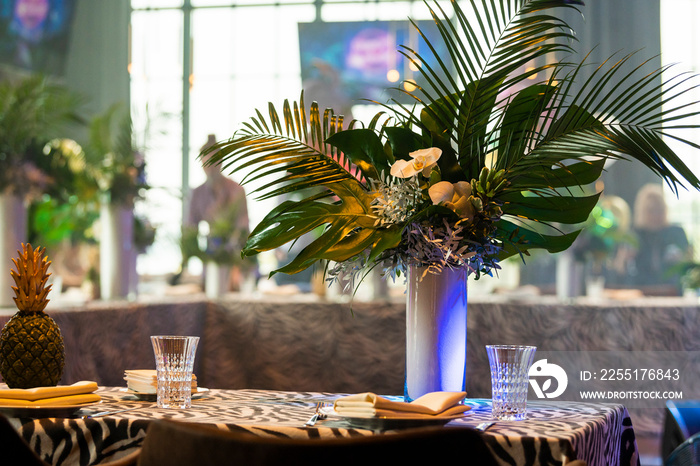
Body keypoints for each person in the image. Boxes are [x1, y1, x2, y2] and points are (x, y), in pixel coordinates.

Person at [183, 134, 251, 292]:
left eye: (214, 162)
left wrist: (240, 263)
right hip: (210, 258)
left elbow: (244, 229)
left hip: (236, 262)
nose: (210, 168)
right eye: (206, 162)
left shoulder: (236, 190)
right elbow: (190, 230)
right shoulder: (197, 194)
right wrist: (192, 256)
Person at [620, 183, 691, 295]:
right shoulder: (634, 235)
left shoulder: (677, 233)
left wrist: (682, 259)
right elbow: (620, 269)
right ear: (642, 211)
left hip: (672, 293)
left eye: (660, 210)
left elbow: (689, 267)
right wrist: (624, 259)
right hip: (640, 293)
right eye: (651, 210)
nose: (656, 215)